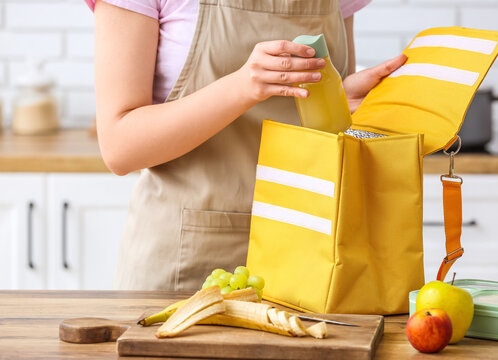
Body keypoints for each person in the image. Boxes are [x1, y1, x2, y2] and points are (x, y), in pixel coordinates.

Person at [85, 0, 407, 290]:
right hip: (186, 263)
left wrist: (340, 100)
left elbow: (327, 135)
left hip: (310, 254)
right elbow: (119, 147)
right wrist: (243, 86)